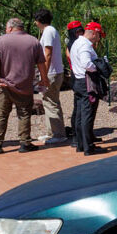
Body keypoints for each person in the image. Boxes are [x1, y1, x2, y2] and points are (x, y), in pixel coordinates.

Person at [0, 17, 45, 154]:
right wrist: (44, 79)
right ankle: (25, 143)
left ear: (9, 28)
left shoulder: (0, 41)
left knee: (1, 114)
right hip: (25, 85)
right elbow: (41, 63)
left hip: (4, 85)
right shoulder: (33, 41)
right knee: (24, 114)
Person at [69, 20, 106, 155]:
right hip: (86, 82)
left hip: (78, 81)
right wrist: (98, 68)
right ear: (94, 32)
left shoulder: (76, 43)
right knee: (87, 114)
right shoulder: (85, 45)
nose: (99, 38)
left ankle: (81, 144)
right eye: (99, 35)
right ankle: (88, 146)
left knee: (80, 114)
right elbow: (86, 63)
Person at [34, 9, 68, 145]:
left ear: (39, 21)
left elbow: (47, 54)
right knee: (48, 102)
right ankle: (51, 132)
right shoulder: (51, 31)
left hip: (51, 72)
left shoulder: (48, 32)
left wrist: (44, 75)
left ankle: (59, 134)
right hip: (54, 71)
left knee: (51, 103)